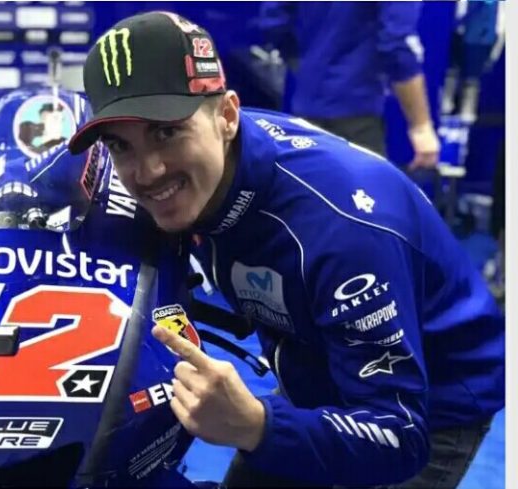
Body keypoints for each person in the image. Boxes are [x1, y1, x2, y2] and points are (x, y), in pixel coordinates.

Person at [68, 11, 504, 488]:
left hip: (433, 406)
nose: (147, 172)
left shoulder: (339, 232)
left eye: (166, 132)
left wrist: (256, 425)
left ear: (227, 116)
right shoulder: (207, 169)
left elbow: (401, 436)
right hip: (312, 360)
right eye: (121, 146)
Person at [253, 2, 440, 170]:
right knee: (364, 194)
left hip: (306, 109)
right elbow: (398, 44)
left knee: (309, 192)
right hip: (358, 114)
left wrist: (306, 66)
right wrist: (421, 126)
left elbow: (273, 20)